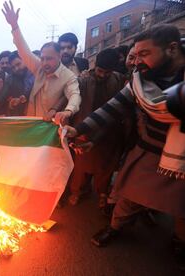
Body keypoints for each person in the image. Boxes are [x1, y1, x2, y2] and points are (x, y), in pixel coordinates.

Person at [62, 24, 185, 269]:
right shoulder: (139, 81)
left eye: (144, 54)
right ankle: (115, 228)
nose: (136, 62)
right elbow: (112, 108)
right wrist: (79, 129)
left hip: (181, 159)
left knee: (182, 209)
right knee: (128, 196)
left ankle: (180, 243)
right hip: (148, 150)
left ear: (172, 49)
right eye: (135, 55)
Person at [2, 1, 81, 125]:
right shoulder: (39, 67)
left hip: (50, 127)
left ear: (59, 56)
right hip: (31, 122)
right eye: (42, 58)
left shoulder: (68, 76)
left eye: (49, 59)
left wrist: (67, 111)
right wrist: (14, 26)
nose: (44, 63)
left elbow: (74, 95)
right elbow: (24, 51)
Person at [66, 49, 126, 210]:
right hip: (83, 128)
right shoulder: (83, 80)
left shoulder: (119, 80)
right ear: (95, 65)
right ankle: (77, 192)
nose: (102, 75)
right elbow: (73, 101)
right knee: (80, 167)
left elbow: (120, 108)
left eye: (107, 72)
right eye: (100, 71)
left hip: (108, 131)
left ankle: (102, 193)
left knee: (104, 168)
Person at [0, 51, 34, 115]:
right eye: (13, 67)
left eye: (18, 64)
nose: (16, 69)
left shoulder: (36, 74)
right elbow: (4, 95)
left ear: (25, 60)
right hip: (19, 117)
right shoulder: (10, 78)